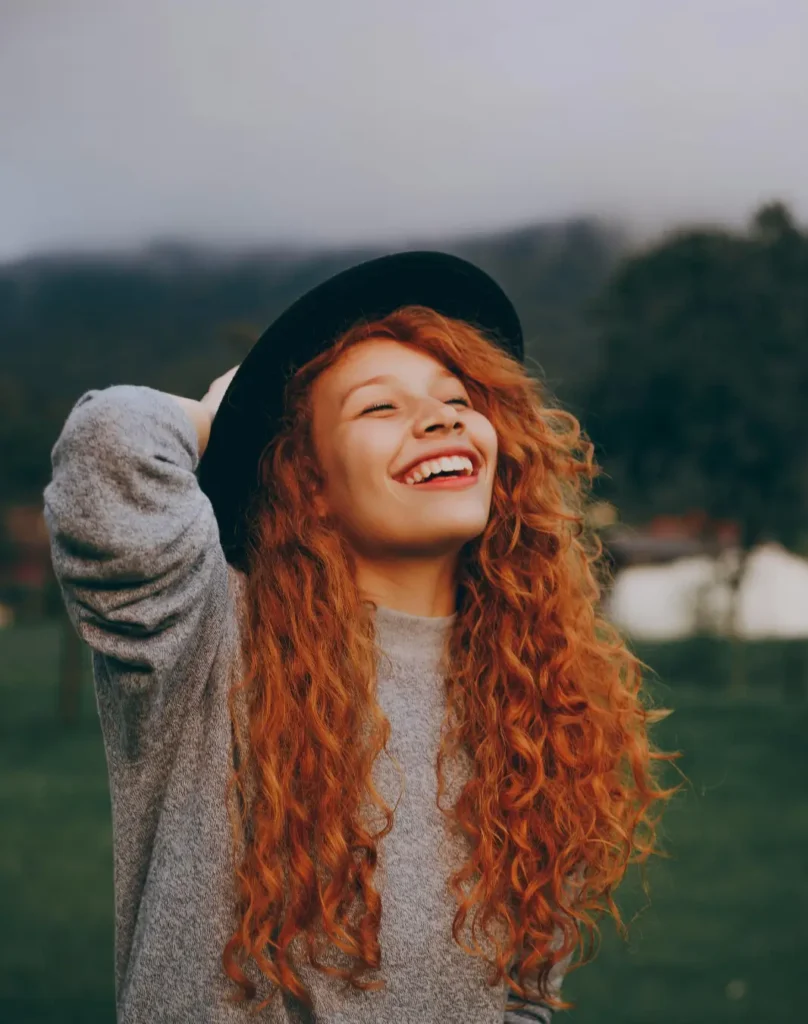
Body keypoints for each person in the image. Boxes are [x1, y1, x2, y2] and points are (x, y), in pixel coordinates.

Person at [44, 251, 680, 1024]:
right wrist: (222, 411)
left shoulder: (536, 700)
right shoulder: (209, 640)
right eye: (380, 409)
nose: (441, 417)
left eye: (456, 399)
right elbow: (107, 449)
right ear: (308, 485)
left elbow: (523, 991)